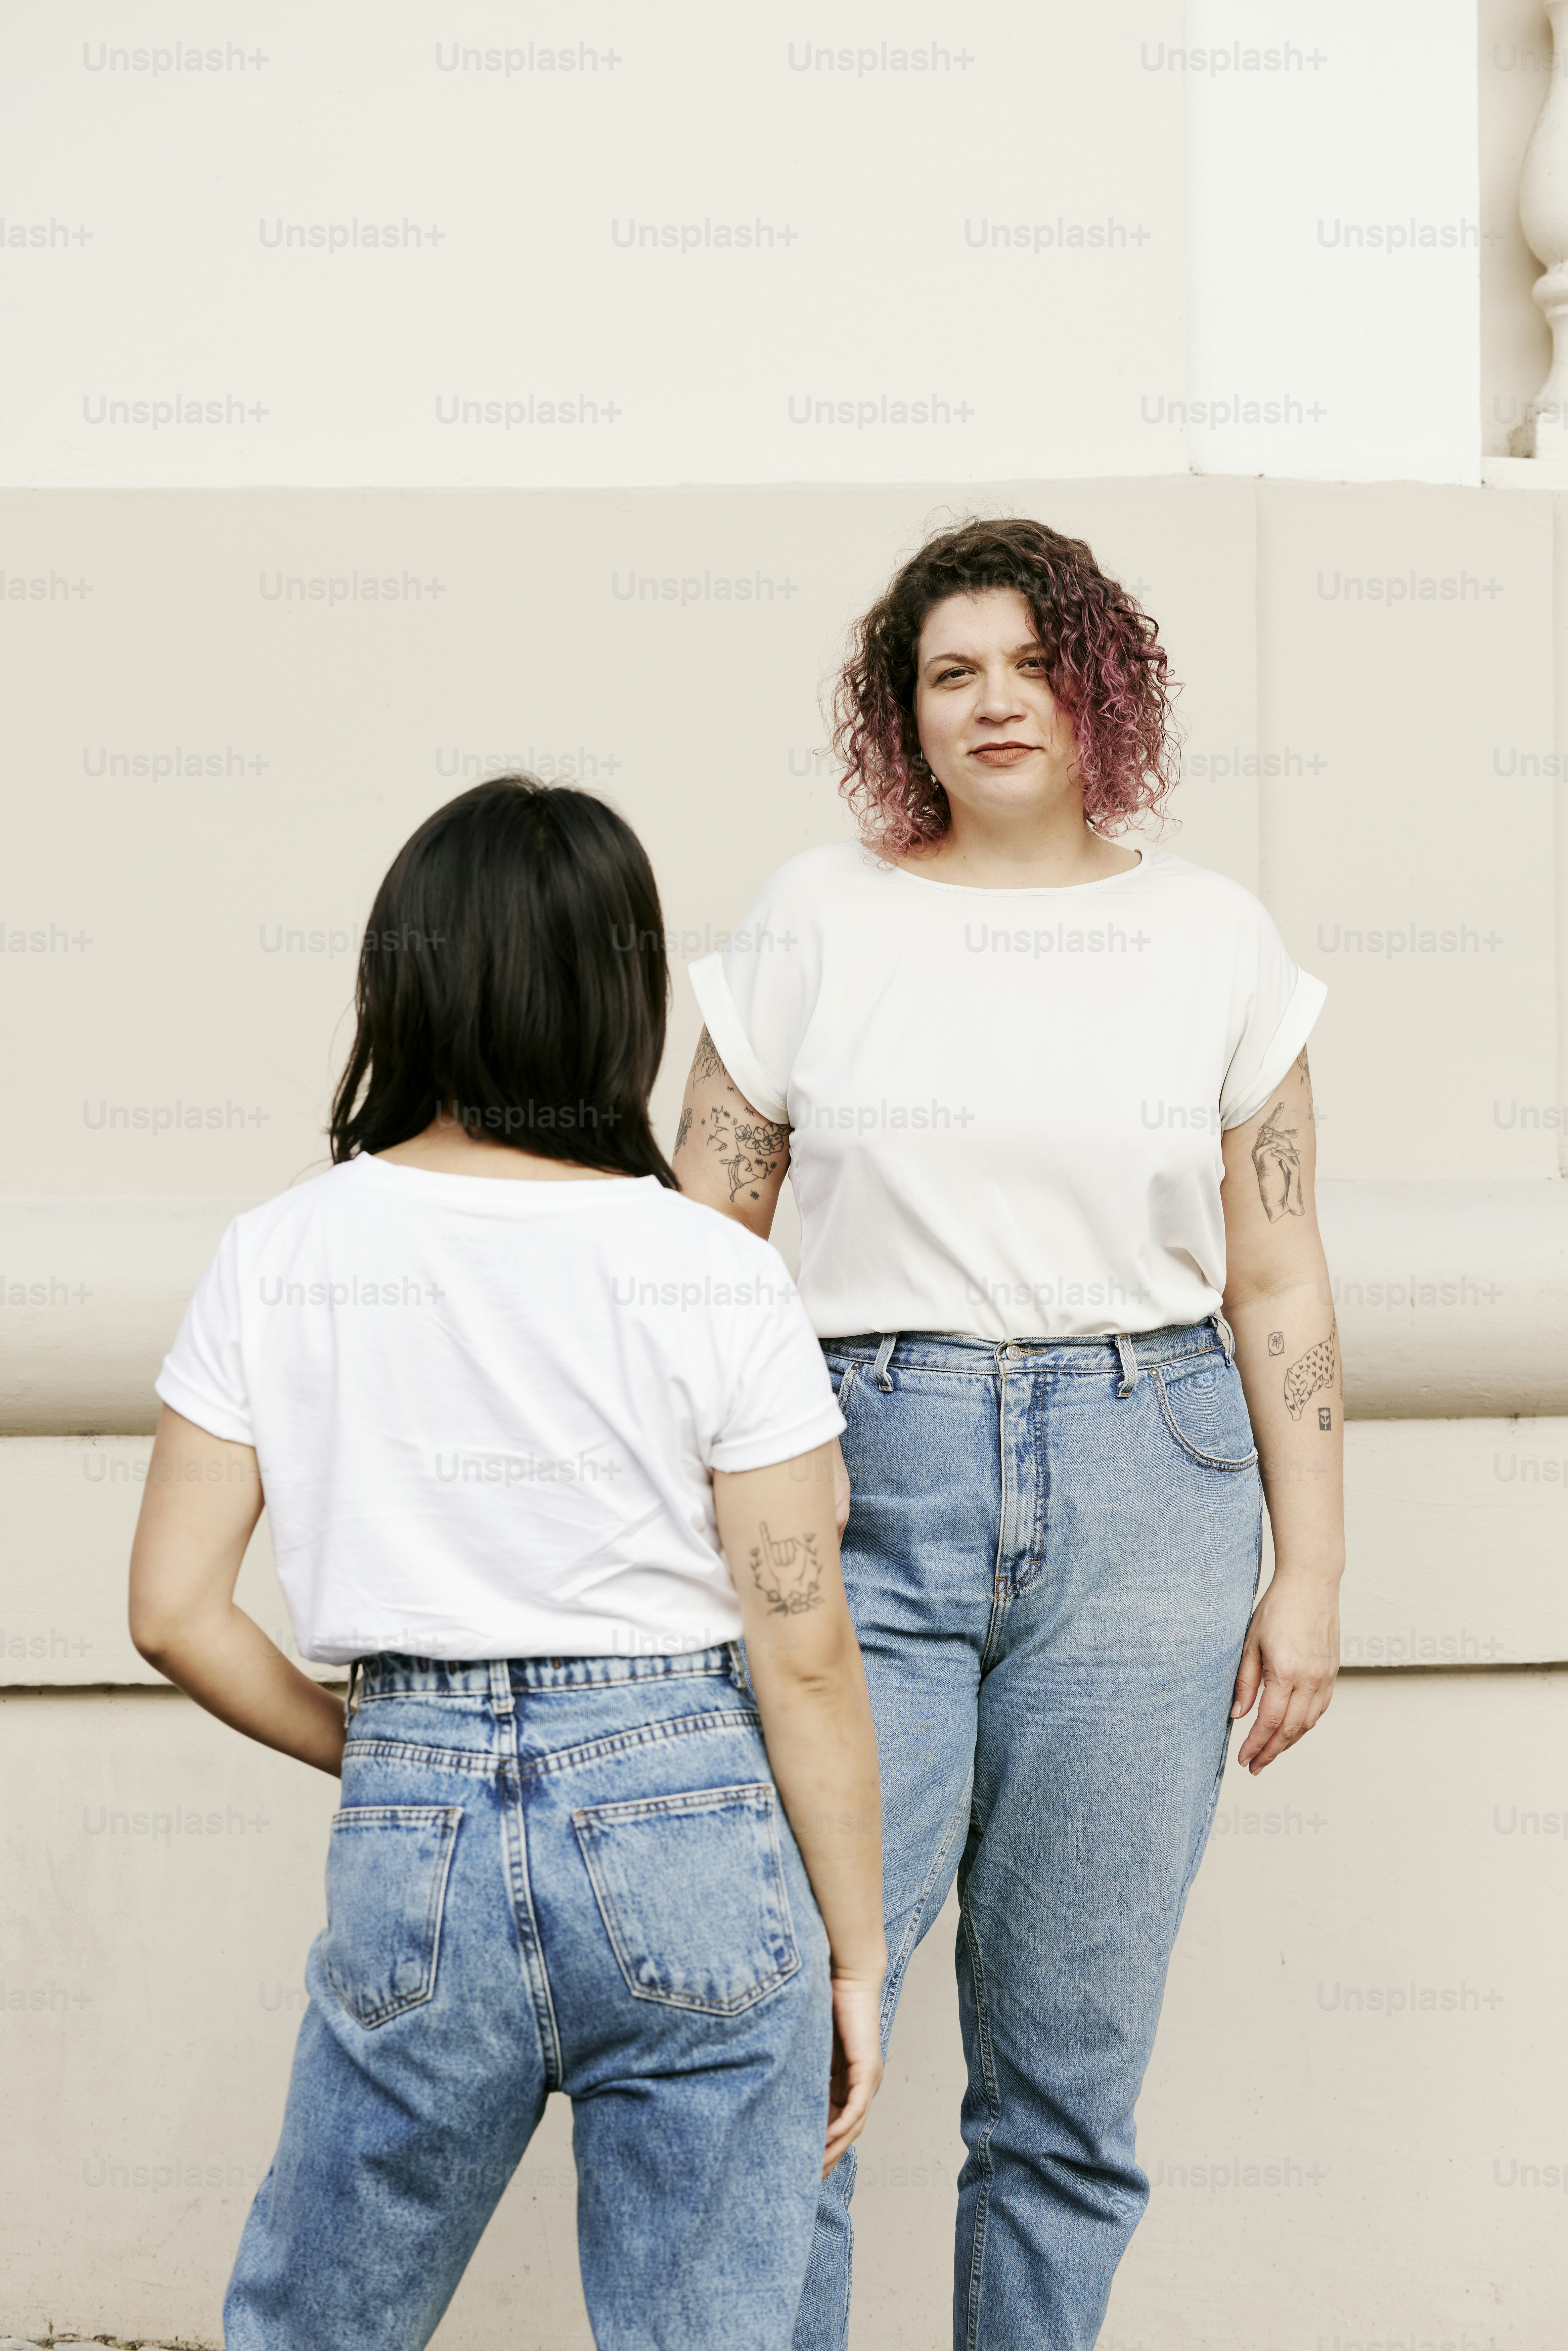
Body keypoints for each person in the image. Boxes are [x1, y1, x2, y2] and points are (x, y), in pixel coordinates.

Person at [673, 518, 1345, 2351]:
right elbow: (697, 1261)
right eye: (950, 670)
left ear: (1101, 685)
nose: (993, 701)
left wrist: (1313, 1574)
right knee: (797, 2035)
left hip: (1154, 1499)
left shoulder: (1214, 939)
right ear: (905, 710)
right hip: (859, 1477)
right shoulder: (815, 915)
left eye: (1033, 663)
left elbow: (1276, 1280)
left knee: (1066, 2086)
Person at [127, 776, 885, 2351]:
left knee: (314, 2325)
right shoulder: (709, 1271)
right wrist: (858, 1951)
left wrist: (389, 1753)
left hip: (417, 1818)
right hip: (685, 1804)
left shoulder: (281, 1250)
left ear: (400, 980)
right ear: (621, 994)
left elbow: (174, 1612)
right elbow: (800, 1646)